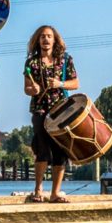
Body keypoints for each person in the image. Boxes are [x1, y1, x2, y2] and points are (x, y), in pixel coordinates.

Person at [23, 25, 79, 203]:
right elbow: (26, 89)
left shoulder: (65, 60)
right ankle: (38, 190)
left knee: (60, 151)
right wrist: (33, 89)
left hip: (61, 110)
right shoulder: (31, 62)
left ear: (54, 40)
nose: (45, 39)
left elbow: (75, 83)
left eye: (49, 36)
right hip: (40, 109)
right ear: (37, 40)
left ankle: (55, 193)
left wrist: (59, 84)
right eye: (42, 37)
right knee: (43, 149)